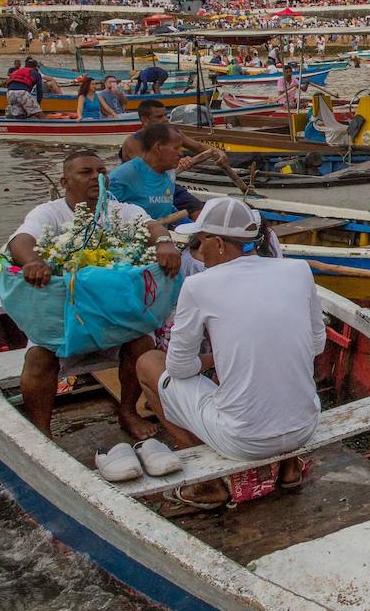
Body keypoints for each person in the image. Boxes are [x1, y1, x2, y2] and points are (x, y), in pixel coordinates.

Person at [136, 198, 323, 510]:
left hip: (244, 440)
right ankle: (289, 467)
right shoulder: (297, 270)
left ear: (219, 243)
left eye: (200, 241)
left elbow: (178, 369)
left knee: (148, 364)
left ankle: (208, 483)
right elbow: (317, 345)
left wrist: (211, 360)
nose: (196, 250)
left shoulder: (199, 285)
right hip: (305, 426)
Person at [8, 150, 181, 439]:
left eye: (102, 171)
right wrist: (33, 262)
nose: (97, 177)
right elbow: (21, 241)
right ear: (65, 181)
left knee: (142, 343)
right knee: (38, 358)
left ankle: (128, 412)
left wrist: (165, 242)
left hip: (113, 320)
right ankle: (42, 432)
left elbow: (152, 226)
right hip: (63, 322)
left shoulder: (120, 210)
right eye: (86, 172)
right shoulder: (48, 213)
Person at [108, 122, 184, 220]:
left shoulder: (168, 175)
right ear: (158, 147)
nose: (181, 154)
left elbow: (166, 212)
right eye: (176, 148)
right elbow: (102, 210)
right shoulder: (126, 174)